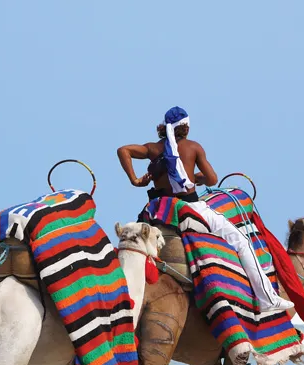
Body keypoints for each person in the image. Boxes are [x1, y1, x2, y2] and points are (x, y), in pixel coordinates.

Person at [117, 106, 294, 312]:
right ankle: (267, 299)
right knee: (241, 241)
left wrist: (135, 180)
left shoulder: (152, 149)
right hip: (190, 205)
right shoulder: (193, 147)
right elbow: (212, 178)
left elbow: (123, 150)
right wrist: (194, 178)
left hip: (159, 209)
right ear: (186, 128)